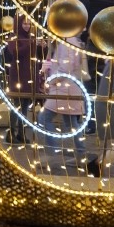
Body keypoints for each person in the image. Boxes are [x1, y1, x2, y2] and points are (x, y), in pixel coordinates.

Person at [38, 33, 88, 168]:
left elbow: (65, 67)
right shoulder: (68, 40)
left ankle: (51, 153)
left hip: (65, 88)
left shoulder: (67, 41)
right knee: (71, 123)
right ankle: (81, 157)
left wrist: (50, 81)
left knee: (43, 118)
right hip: (67, 87)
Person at [4, 15, 44, 143]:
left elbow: (35, 56)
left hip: (29, 78)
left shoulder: (30, 38)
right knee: (16, 106)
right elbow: (16, 52)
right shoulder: (14, 37)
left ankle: (21, 133)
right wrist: (31, 43)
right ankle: (10, 134)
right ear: (18, 24)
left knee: (25, 107)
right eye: (24, 23)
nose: (27, 26)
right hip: (19, 77)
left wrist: (43, 47)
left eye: (29, 24)